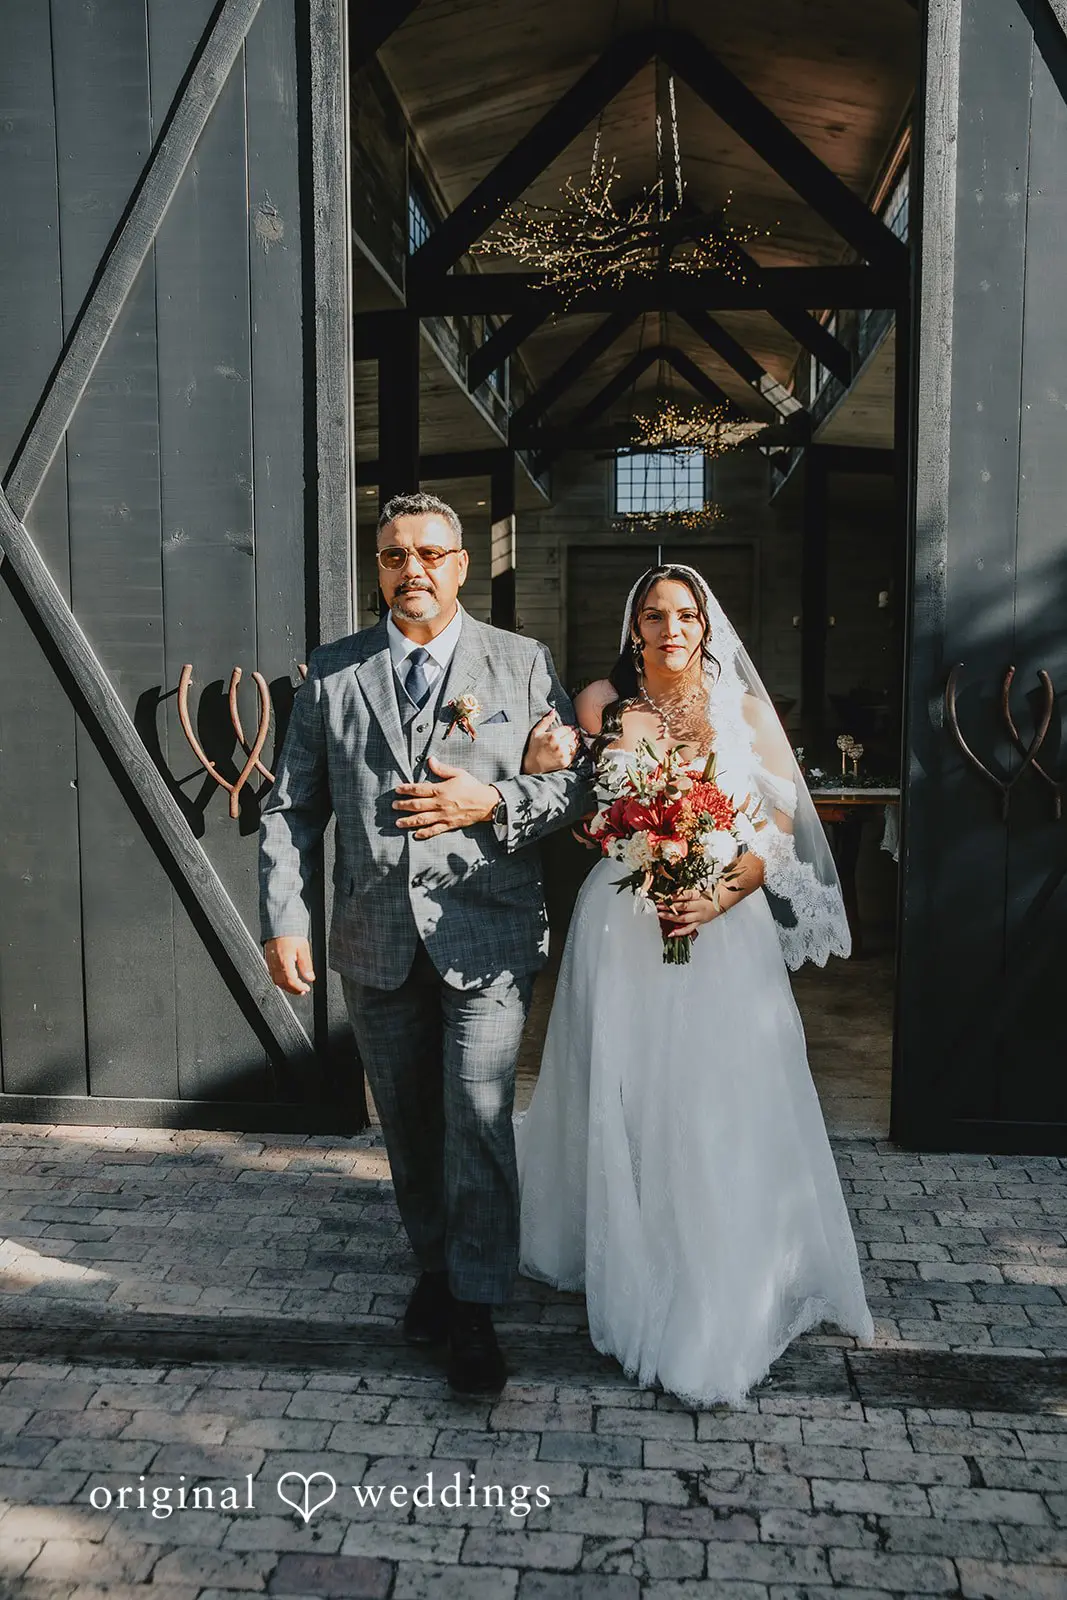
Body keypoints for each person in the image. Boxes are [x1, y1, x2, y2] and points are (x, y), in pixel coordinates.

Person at [516, 564, 874, 1407]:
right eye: (653, 615)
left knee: (711, 1092)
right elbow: (574, 812)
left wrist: (717, 894)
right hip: (618, 921)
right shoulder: (599, 703)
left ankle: (714, 1266)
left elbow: (777, 828)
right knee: (625, 1084)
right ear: (633, 626)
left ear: (705, 627)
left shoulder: (743, 711)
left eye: (684, 615)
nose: (669, 628)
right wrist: (589, 810)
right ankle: (623, 1243)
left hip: (720, 924)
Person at [259, 492, 590, 1397]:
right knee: (408, 1124)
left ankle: (476, 1307)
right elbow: (291, 808)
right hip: (374, 934)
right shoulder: (333, 672)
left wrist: (495, 801)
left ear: (461, 564)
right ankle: (438, 1270)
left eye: (431, 553)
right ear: (378, 567)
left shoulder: (521, 662)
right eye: (395, 555)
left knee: (477, 1116)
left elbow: (575, 788)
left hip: (488, 930)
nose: (413, 569)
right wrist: (285, 918)